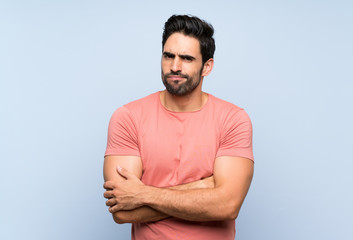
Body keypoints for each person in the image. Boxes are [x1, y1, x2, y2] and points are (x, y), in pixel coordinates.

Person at [103, 14, 254, 240]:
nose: (174, 66)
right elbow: (123, 210)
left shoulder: (233, 119)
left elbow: (227, 205)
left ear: (207, 66)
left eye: (186, 58)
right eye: (168, 56)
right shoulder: (128, 117)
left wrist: (143, 194)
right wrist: (205, 187)